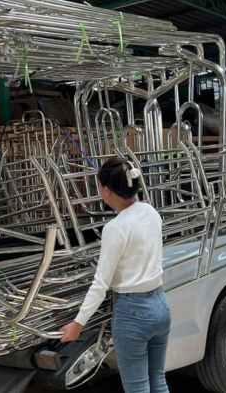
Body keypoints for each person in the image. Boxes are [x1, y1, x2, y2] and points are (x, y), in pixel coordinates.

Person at [59, 157, 171, 393]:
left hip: (133, 314)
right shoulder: (151, 212)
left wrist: (78, 323)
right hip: (161, 306)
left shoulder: (115, 229)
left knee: (138, 389)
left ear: (107, 191)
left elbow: (101, 284)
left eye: (100, 186)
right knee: (158, 382)